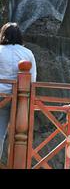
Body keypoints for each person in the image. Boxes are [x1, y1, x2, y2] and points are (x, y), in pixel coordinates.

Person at [0, 22, 37, 160]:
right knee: (20, 137)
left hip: (1, 96)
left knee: (0, 134)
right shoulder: (27, 53)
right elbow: (33, 79)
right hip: (20, 99)